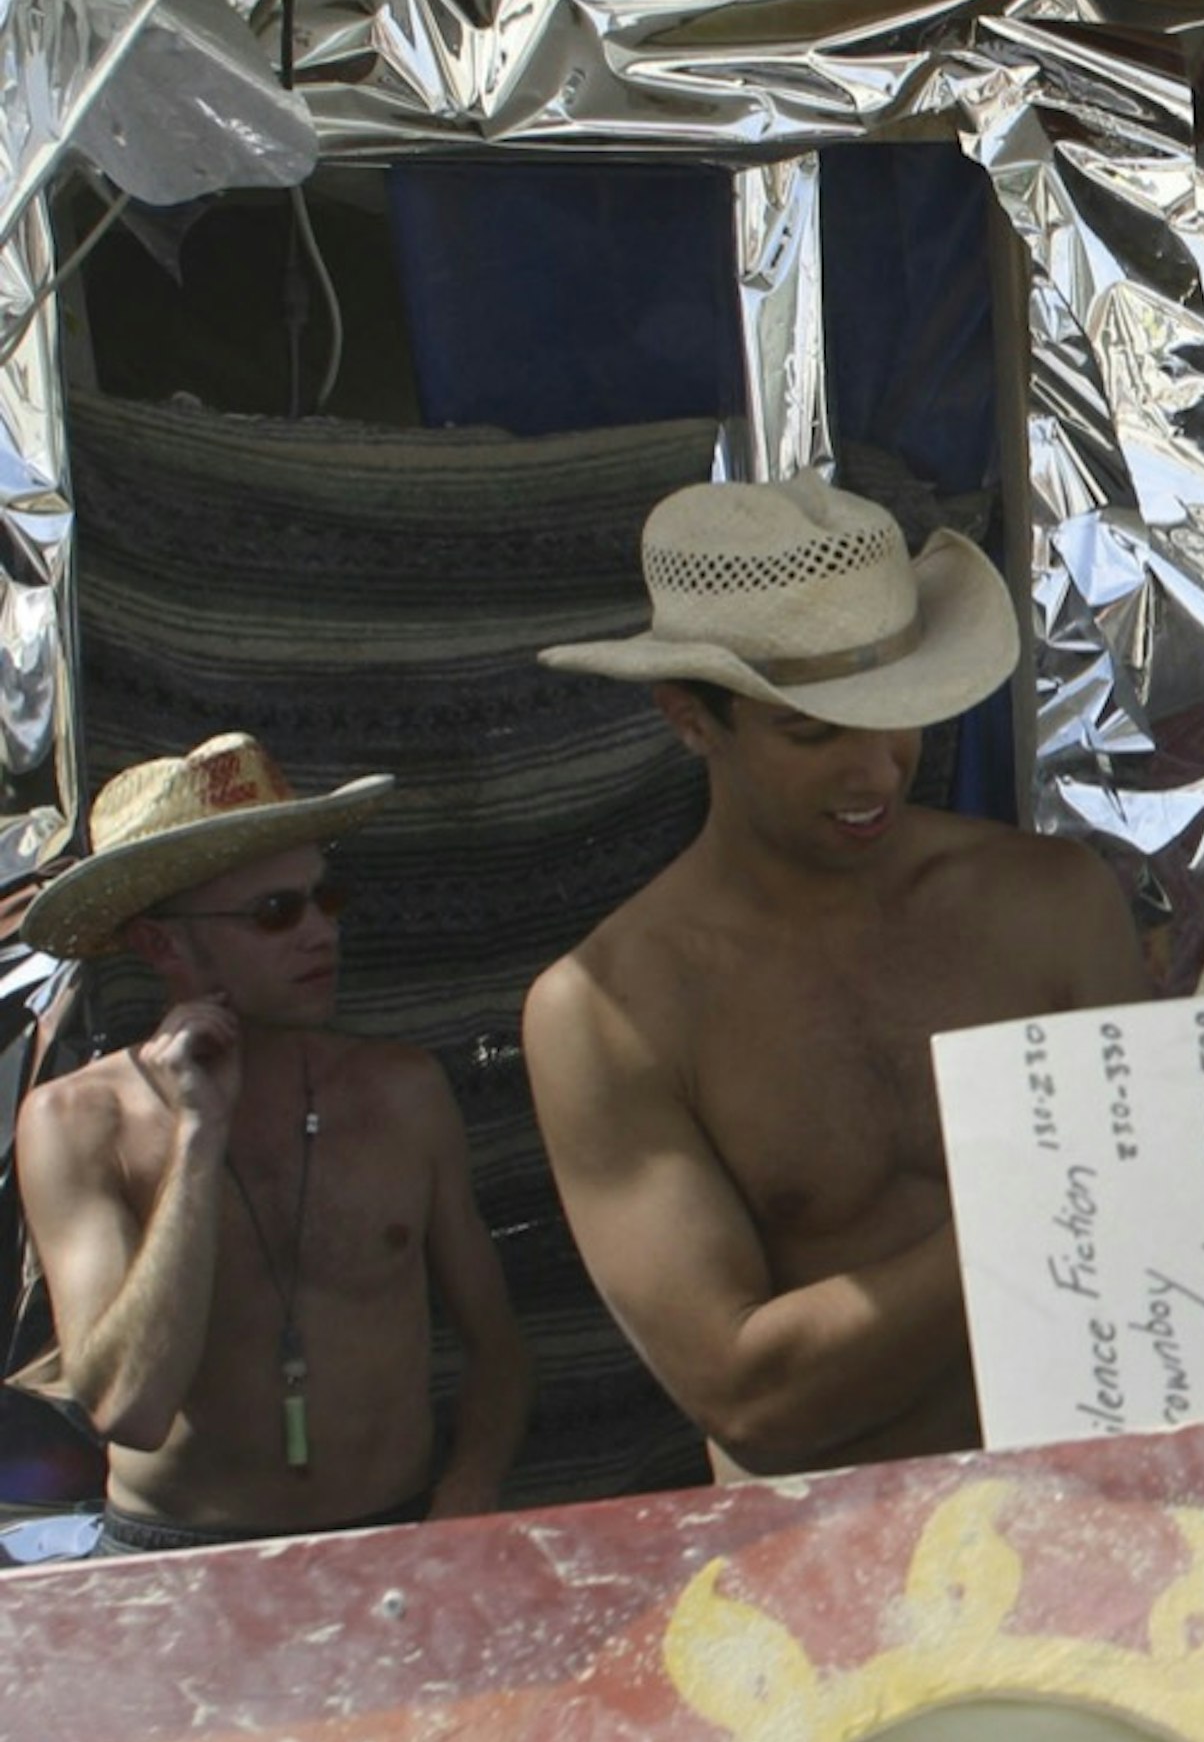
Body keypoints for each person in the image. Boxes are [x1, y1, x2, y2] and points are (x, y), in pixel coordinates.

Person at [526, 476, 1143, 1478]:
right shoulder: (611, 1012)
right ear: (691, 718)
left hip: (1104, 1517)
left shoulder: (1049, 903)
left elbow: (1171, 1233)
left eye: (901, 713)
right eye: (813, 733)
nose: (876, 770)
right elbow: (746, 1393)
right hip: (827, 1571)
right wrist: (1045, 1214)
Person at [13, 734, 528, 1553]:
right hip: (180, 1557)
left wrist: (467, 1493)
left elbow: (496, 1347)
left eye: (328, 900)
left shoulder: (402, 1093)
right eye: (275, 913)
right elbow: (130, 1409)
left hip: (394, 1533)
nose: (320, 934)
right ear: (161, 944)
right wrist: (197, 1138)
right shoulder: (77, 1123)